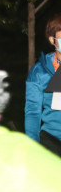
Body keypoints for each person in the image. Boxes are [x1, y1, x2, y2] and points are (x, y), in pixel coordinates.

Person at [24, 14, 61, 157]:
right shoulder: (39, 72)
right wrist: (32, 147)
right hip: (51, 140)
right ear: (53, 40)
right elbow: (33, 112)